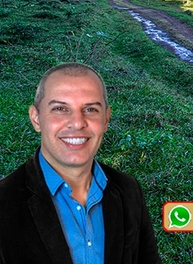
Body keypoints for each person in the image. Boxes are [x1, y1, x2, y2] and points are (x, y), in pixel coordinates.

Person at [0, 63, 162, 264]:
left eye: (90, 109)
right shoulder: (4, 202)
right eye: (60, 108)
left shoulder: (129, 191)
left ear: (106, 119)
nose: (77, 123)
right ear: (36, 118)